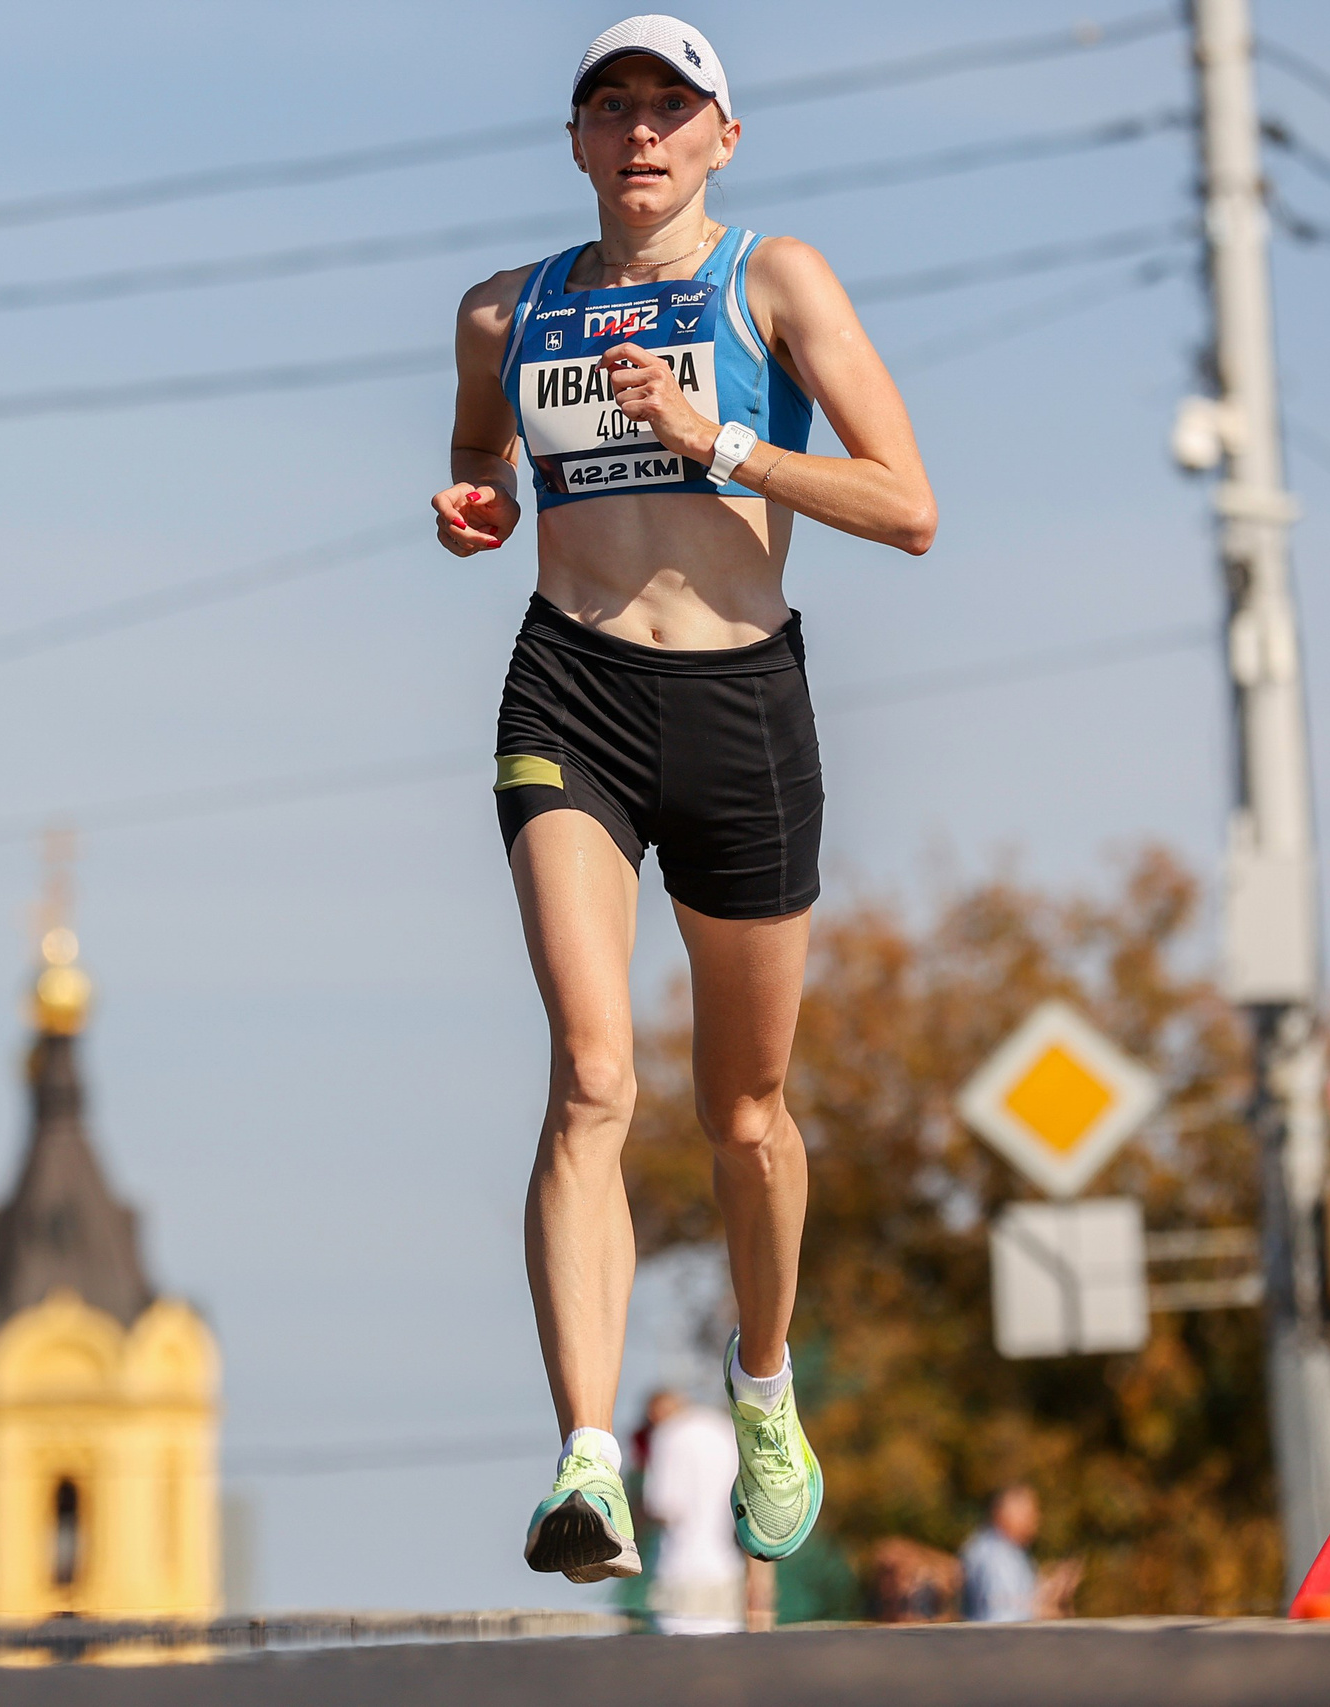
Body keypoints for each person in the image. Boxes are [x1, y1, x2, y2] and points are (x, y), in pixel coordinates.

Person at [431, 15, 935, 1583]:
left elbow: (908, 504)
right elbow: (477, 459)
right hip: (568, 689)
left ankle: (766, 1380)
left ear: (725, 138)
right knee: (591, 1072)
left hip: (739, 703)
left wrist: (717, 439)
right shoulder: (504, 310)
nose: (641, 133)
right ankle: (586, 1452)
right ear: (576, 143)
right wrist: (477, 502)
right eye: (612, 108)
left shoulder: (777, 282)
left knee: (745, 1112)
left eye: (672, 108)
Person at [637, 1388, 748, 1633]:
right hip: (725, 1566)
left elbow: (662, 1506)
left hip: (680, 1568)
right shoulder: (725, 1429)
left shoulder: (668, 1435)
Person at [959, 1485, 1080, 1623]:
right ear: (1004, 1513)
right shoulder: (996, 1555)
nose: (1036, 1519)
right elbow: (1004, 1618)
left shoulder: (1009, 1551)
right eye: (1029, 1513)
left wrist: (1046, 1591)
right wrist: (1045, 1608)